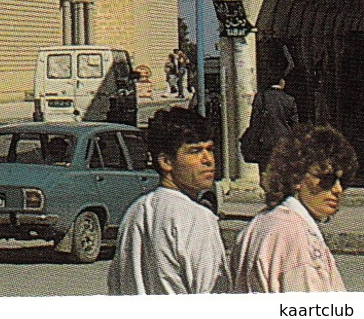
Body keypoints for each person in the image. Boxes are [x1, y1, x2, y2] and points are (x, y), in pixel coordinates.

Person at [108, 107, 228, 295]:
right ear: (166, 162)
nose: (208, 160)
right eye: (194, 151)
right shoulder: (197, 218)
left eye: (210, 149)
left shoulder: (136, 211)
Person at [232, 124, 357, 292]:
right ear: (296, 177)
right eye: (326, 179)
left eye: (343, 182)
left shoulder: (260, 223)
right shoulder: (297, 237)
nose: (337, 189)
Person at [242, 74, 299, 191]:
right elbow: (294, 124)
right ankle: (280, 192)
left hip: (264, 140)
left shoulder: (261, 98)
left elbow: (255, 121)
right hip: (284, 141)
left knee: (264, 169)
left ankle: (269, 192)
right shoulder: (289, 99)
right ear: (282, 82)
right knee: (282, 168)